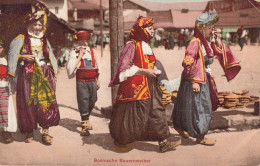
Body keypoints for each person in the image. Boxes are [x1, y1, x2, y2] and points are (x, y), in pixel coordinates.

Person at [109, 16, 181, 153]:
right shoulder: (131, 45)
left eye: (153, 29)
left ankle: (164, 142)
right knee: (134, 116)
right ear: (141, 30)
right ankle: (122, 141)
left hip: (150, 85)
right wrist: (145, 71)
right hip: (135, 87)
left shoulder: (146, 45)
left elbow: (149, 63)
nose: (152, 31)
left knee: (157, 111)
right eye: (149, 29)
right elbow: (124, 68)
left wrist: (153, 71)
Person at [172, 12, 241, 146]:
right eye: (210, 27)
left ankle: (180, 127)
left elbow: (215, 54)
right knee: (201, 106)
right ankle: (200, 136)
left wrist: (216, 41)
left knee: (187, 104)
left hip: (201, 76)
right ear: (203, 28)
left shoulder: (205, 42)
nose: (212, 29)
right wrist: (194, 81)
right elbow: (188, 62)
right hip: (196, 78)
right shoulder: (195, 42)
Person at [8, 3, 60, 145]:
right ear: (29, 25)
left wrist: (53, 73)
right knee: (27, 102)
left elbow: (51, 57)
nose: (38, 28)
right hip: (27, 74)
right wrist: (22, 57)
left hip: (44, 73)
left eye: (40, 25)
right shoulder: (20, 39)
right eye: (35, 25)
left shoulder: (44, 40)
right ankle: (29, 131)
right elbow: (12, 56)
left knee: (46, 102)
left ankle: (45, 133)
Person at [66, 31, 100, 136]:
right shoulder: (74, 52)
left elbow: (96, 66)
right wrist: (80, 56)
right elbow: (70, 69)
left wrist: (98, 79)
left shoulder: (92, 51)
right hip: (82, 80)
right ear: (79, 41)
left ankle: (86, 119)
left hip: (92, 80)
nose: (86, 43)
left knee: (93, 99)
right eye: (83, 41)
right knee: (83, 100)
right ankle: (84, 125)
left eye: (87, 41)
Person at [0, 38, 17, 144]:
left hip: (4, 87)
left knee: (5, 110)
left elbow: (12, 75)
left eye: (0, 47)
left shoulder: (6, 60)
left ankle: (5, 132)